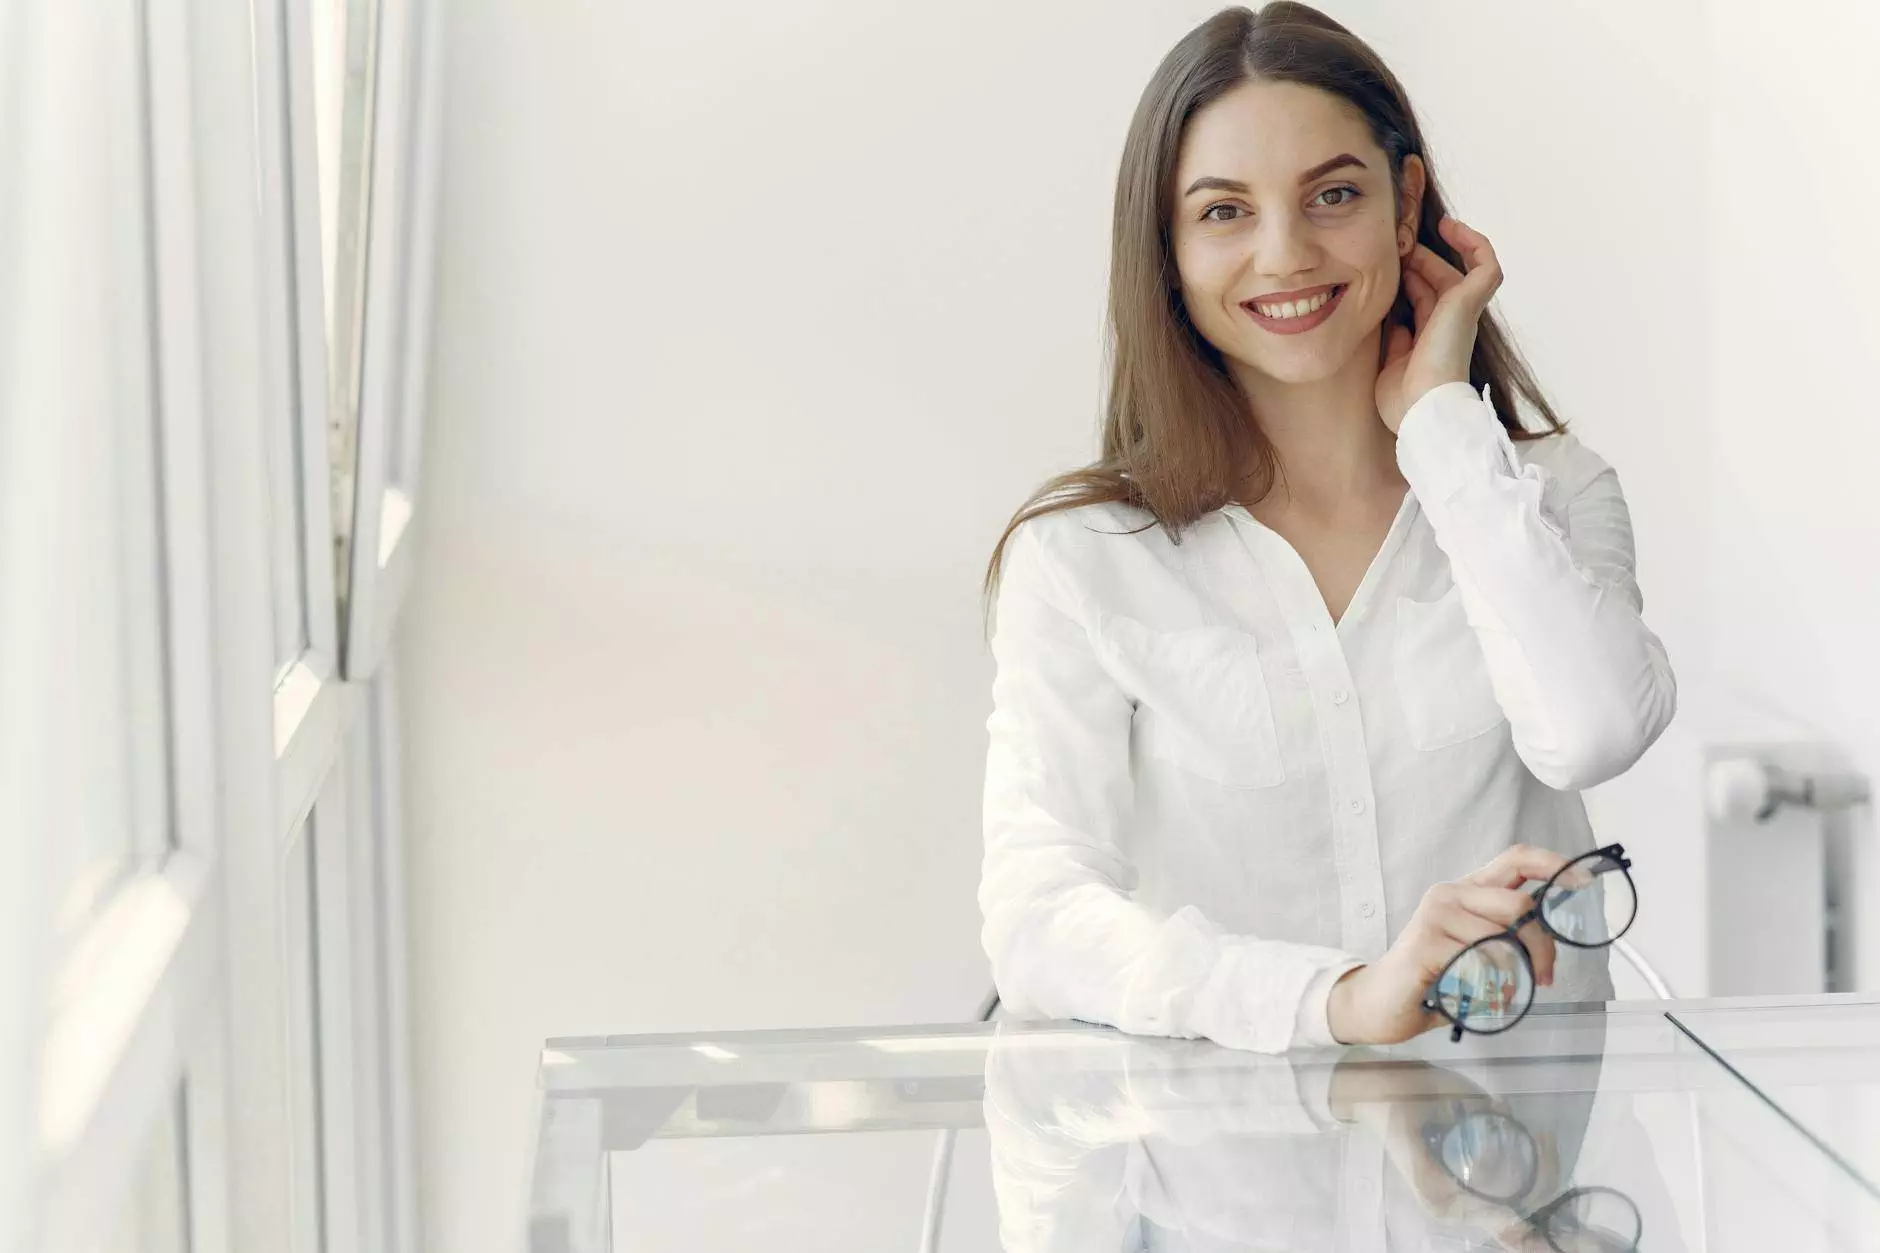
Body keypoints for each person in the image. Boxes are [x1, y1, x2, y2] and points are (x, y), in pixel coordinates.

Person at [977, 3, 1676, 1052]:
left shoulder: (1544, 493)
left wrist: (1443, 428)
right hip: (1225, 1194)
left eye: (1332, 195)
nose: (1284, 253)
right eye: (1222, 212)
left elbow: (1592, 733)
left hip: (1510, 1191)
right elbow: (1036, 919)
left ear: (1405, 208)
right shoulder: (1082, 559)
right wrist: (1336, 995)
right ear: (1163, 248)